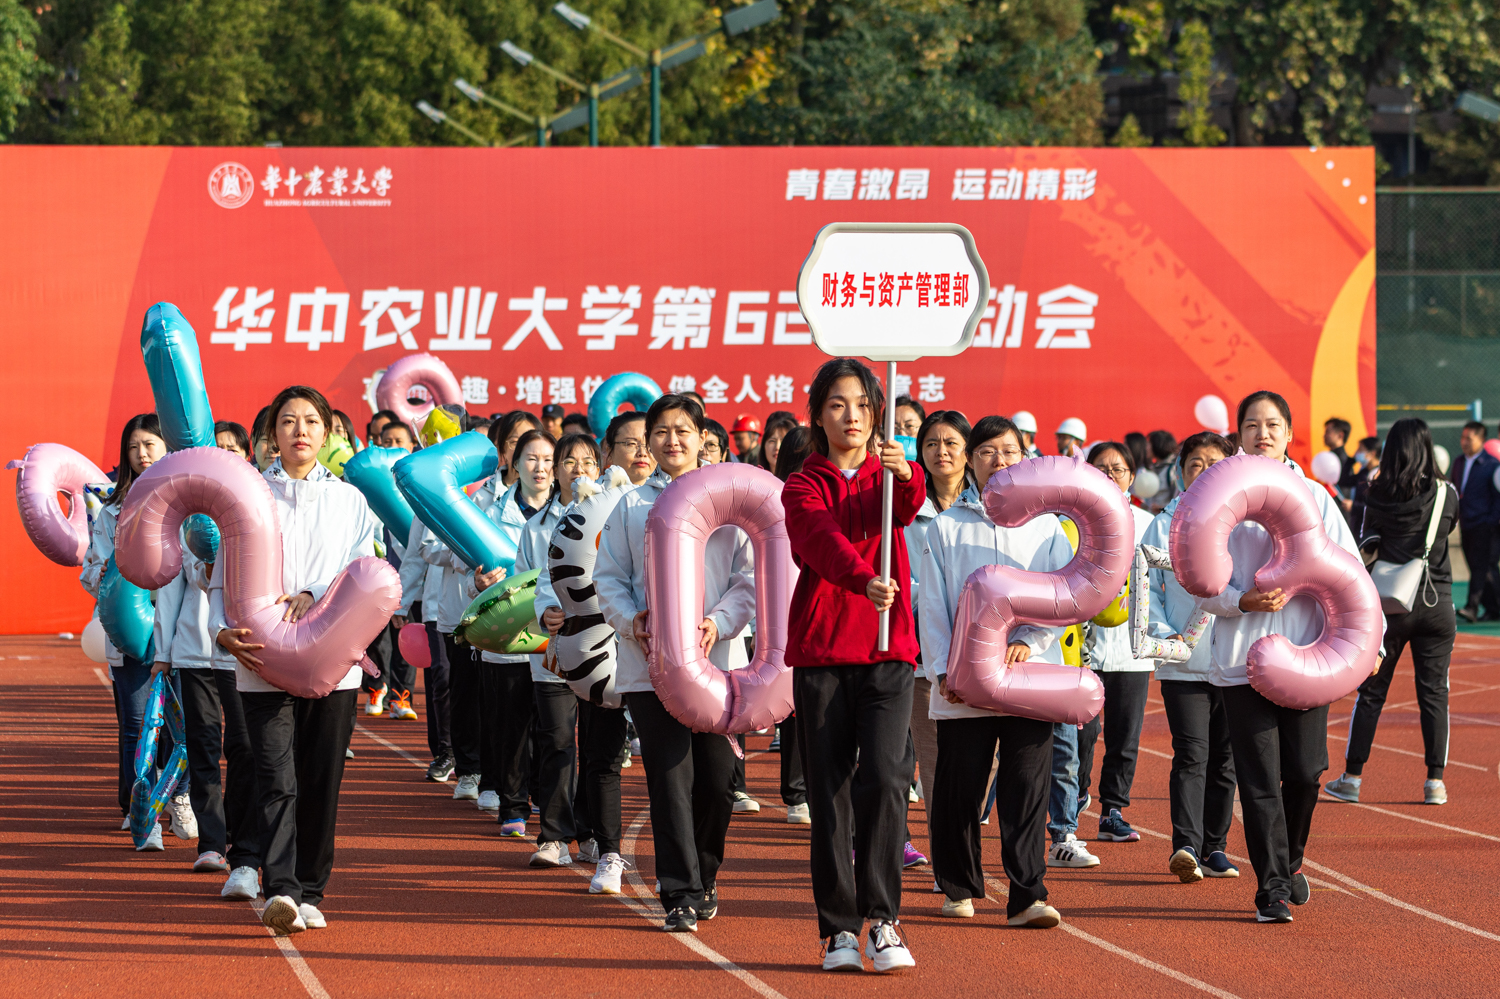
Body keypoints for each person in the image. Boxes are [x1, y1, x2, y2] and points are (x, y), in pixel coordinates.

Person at [211, 385, 383, 935]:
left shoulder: (351, 501)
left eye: (311, 420)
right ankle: (281, 888)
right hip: (261, 657)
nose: (300, 431)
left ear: (328, 431)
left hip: (333, 663)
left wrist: (312, 592)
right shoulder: (247, 496)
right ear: (271, 434)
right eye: (288, 421)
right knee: (274, 774)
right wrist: (221, 632)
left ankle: (312, 888)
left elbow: (360, 573)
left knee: (320, 777)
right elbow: (221, 576)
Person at [781, 358, 922, 972]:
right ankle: (839, 929)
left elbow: (912, 503)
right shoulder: (802, 483)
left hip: (889, 650)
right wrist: (863, 579)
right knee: (830, 792)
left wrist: (907, 472)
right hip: (823, 652)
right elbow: (817, 538)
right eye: (838, 404)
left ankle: (884, 920)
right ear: (818, 413)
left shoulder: (887, 476)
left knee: (889, 780)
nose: (853, 417)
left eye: (863, 405)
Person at [595, 394, 754, 933]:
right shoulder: (631, 505)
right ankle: (679, 891)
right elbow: (608, 576)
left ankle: (705, 873)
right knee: (668, 777)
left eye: (682, 430)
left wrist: (720, 621)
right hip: (650, 666)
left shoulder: (730, 500)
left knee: (716, 778)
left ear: (701, 435)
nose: (671, 441)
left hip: (718, 667)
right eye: (660, 432)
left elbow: (748, 579)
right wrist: (630, 618)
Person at [1200, 390, 1360, 924]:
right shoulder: (1217, 503)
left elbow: (1353, 578)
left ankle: (1288, 862)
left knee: (1306, 772)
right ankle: (1270, 888)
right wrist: (1238, 600)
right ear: (1238, 434)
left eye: (1272, 425)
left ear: (1290, 434)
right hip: (1241, 662)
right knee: (1260, 778)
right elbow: (1198, 584)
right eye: (1252, 425)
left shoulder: (1316, 499)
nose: (1262, 433)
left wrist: (1372, 647)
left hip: (1308, 661)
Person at [919, 414, 1072, 927]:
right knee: (960, 785)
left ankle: (1027, 895)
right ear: (971, 461)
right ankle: (959, 885)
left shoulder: (1046, 526)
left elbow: (1064, 595)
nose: (998, 461)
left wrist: (1032, 641)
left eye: (1009, 451)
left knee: (1026, 788)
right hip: (965, 681)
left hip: (1029, 677)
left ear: (1024, 457)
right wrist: (941, 668)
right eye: (987, 452)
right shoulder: (946, 527)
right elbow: (933, 606)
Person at [1326, 418, 1457, 807]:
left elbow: (1367, 545)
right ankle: (1435, 782)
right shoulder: (1446, 493)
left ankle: (1352, 777)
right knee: (1435, 694)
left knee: (1372, 692)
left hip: (1390, 606)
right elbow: (1448, 532)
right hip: (1437, 603)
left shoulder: (1375, 492)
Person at [82, 413, 193, 850]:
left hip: (180, 630)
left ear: (169, 449)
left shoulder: (189, 504)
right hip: (129, 631)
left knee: (180, 725)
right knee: (134, 722)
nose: (142, 453)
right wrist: (107, 574)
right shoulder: (111, 510)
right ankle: (139, 807)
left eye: (150, 444)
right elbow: (90, 570)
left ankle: (180, 798)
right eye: (134, 447)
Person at [1142, 432, 1240, 883]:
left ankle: (1215, 847)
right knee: (1191, 753)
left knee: (1226, 756)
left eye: (1212, 462)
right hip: (1185, 659)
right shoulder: (1162, 524)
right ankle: (1185, 844)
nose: (1202, 469)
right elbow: (1149, 591)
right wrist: (1169, 640)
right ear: (1180, 470)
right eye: (1194, 463)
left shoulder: (1245, 523)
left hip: (1236, 659)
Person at [474, 429, 572, 857]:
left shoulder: (573, 513)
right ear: (515, 464)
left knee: (550, 728)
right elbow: (470, 561)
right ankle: (514, 805)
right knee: (511, 723)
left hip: (554, 631)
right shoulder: (491, 508)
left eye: (549, 460)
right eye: (531, 459)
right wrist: (477, 581)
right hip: (509, 631)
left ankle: (543, 799)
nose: (540, 468)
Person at [1074, 442, 1157, 844]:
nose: (1110, 474)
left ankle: (1113, 810)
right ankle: (1075, 794)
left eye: (1118, 468)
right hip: (1083, 648)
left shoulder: (1146, 521)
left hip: (1131, 648)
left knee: (1125, 735)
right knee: (1081, 732)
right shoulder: (1071, 520)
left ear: (1132, 475)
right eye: (1101, 467)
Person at [903, 411, 974, 866]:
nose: (941, 452)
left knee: (978, 764)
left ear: (968, 451)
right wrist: (928, 595)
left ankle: (963, 845)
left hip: (983, 653)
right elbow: (894, 570)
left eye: (951, 443)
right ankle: (948, 863)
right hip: (920, 653)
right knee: (930, 760)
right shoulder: (906, 507)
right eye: (931, 443)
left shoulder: (989, 508)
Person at [772, 426, 815, 826]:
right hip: (778, 611)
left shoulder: (826, 493)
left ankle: (804, 789)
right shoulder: (770, 497)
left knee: (808, 707)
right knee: (792, 707)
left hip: (814, 606)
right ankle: (796, 791)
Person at [1449, 420, 1500, 622]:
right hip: (1466, 523)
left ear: (1481, 439)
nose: (1464, 442)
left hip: (1484, 525)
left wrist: (1491, 520)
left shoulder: (1492, 465)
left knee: (1481, 567)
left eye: (1469, 438)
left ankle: (1472, 607)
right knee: (1481, 567)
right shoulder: (1459, 462)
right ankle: (1495, 607)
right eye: (1463, 438)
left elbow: (1497, 497)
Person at [1323, 418, 1357, 494]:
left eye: (1328, 432)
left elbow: (1344, 488)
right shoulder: (1331, 456)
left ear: (1340, 435)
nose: (1324, 435)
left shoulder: (1342, 460)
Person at [250, 406, 277, 470]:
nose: (273, 449)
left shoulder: (302, 479)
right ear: (253, 444)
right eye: (266, 440)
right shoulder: (241, 478)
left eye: (280, 440)